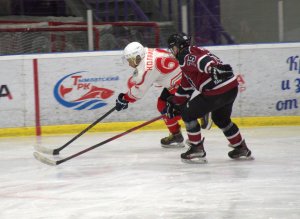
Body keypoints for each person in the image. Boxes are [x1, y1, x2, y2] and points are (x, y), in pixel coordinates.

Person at [165, 33, 253, 163]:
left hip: (216, 90)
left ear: (178, 46)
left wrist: (212, 68)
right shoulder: (193, 56)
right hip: (231, 88)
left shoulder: (185, 55)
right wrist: (175, 102)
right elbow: (186, 87)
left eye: (173, 48)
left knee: (188, 114)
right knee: (221, 119)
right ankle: (241, 147)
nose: (172, 52)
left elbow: (200, 61)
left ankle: (196, 148)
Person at [115, 41, 212, 148]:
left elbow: (139, 91)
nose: (129, 64)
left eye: (130, 60)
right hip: (176, 78)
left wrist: (124, 99)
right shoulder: (146, 52)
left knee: (174, 109)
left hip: (180, 82)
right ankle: (176, 135)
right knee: (162, 104)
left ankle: (202, 111)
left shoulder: (147, 67)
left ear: (138, 57)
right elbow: (152, 73)